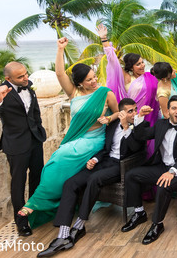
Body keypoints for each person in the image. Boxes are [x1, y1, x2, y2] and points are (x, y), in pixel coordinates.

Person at [18, 37, 119, 229]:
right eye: (89, 80)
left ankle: (35, 202)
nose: (94, 81)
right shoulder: (74, 93)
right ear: (79, 83)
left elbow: (117, 113)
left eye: (94, 76)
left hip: (93, 140)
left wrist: (109, 119)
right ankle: (44, 201)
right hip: (75, 138)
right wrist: (59, 49)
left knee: (61, 157)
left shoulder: (106, 93)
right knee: (52, 165)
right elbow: (59, 73)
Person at [38, 98, 146, 257]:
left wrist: (125, 127)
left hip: (121, 165)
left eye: (135, 109)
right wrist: (95, 159)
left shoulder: (140, 126)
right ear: (121, 112)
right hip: (105, 162)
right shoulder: (111, 126)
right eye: (130, 111)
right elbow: (105, 148)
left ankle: (79, 225)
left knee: (94, 179)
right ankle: (63, 233)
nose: (134, 113)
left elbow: (136, 148)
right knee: (70, 183)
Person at [0, 62, 47, 237]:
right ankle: (21, 222)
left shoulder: (28, 87)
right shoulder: (0, 92)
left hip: (35, 141)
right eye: (21, 77)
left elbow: (34, 113)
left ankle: (34, 213)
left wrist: (39, 130)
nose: (26, 78)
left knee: (37, 178)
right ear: (8, 79)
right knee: (18, 184)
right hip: (16, 145)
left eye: (26, 74)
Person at [121, 95, 177, 244]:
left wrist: (172, 172)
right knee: (131, 175)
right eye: (174, 108)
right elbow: (142, 135)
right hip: (162, 166)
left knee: (164, 186)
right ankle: (139, 212)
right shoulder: (161, 125)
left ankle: (157, 224)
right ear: (168, 110)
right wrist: (140, 116)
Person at [98, 24, 160, 155]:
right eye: (138, 64)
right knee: (132, 145)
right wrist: (104, 40)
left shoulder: (149, 77)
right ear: (131, 67)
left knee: (150, 147)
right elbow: (113, 61)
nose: (142, 66)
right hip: (131, 117)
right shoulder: (126, 78)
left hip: (149, 116)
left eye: (143, 62)